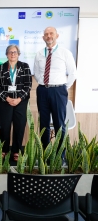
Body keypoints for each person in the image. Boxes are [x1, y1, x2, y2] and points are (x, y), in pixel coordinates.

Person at [34, 27, 77, 160]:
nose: (48, 36)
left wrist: (63, 88)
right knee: (44, 125)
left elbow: (73, 73)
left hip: (59, 91)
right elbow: (36, 73)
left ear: (57, 35)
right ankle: (45, 156)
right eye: (46, 34)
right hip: (42, 90)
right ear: (43, 38)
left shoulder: (65, 53)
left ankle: (60, 156)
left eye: (51, 33)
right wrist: (44, 84)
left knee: (60, 124)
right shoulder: (39, 53)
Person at [0, 45, 32, 161]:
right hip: (5, 102)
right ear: (7, 54)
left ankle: (17, 150)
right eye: (10, 52)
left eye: (15, 52)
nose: (13, 54)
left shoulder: (25, 67)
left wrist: (19, 99)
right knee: (5, 127)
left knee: (19, 126)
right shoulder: (0, 67)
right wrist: (7, 98)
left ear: (18, 54)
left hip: (21, 102)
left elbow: (28, 85)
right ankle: (4, 150)